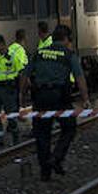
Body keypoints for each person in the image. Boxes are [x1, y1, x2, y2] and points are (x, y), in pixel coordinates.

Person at [22, 25, 90, 180]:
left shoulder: (38, 53)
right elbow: (79, 77)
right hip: (60, 97)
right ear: (66, 39)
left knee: (42, 134)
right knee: (69, 128)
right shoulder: (68, 54)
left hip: (40, 97)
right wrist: (85, 99)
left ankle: (45, 172)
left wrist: (22, 96)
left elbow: (25, 76)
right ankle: (56, 157)